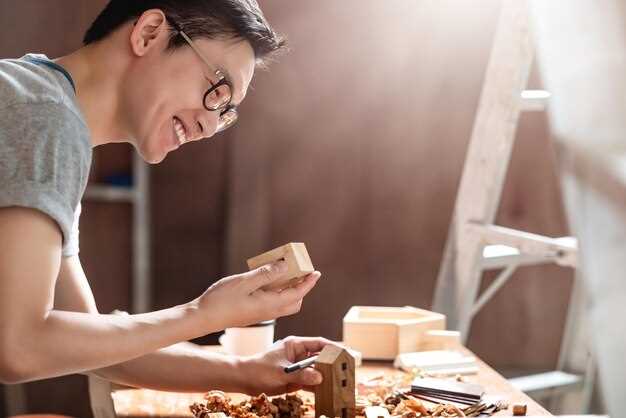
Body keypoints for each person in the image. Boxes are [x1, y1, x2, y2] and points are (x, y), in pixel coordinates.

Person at [0, 0, 332, 395]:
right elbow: (20, 347)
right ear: (150, 33)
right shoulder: (43, 116)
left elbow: (91, 344)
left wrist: (244, 371)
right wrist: (200, 315)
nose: (210, 126)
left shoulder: (40, 107)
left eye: (225, 112)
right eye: (217, 88)